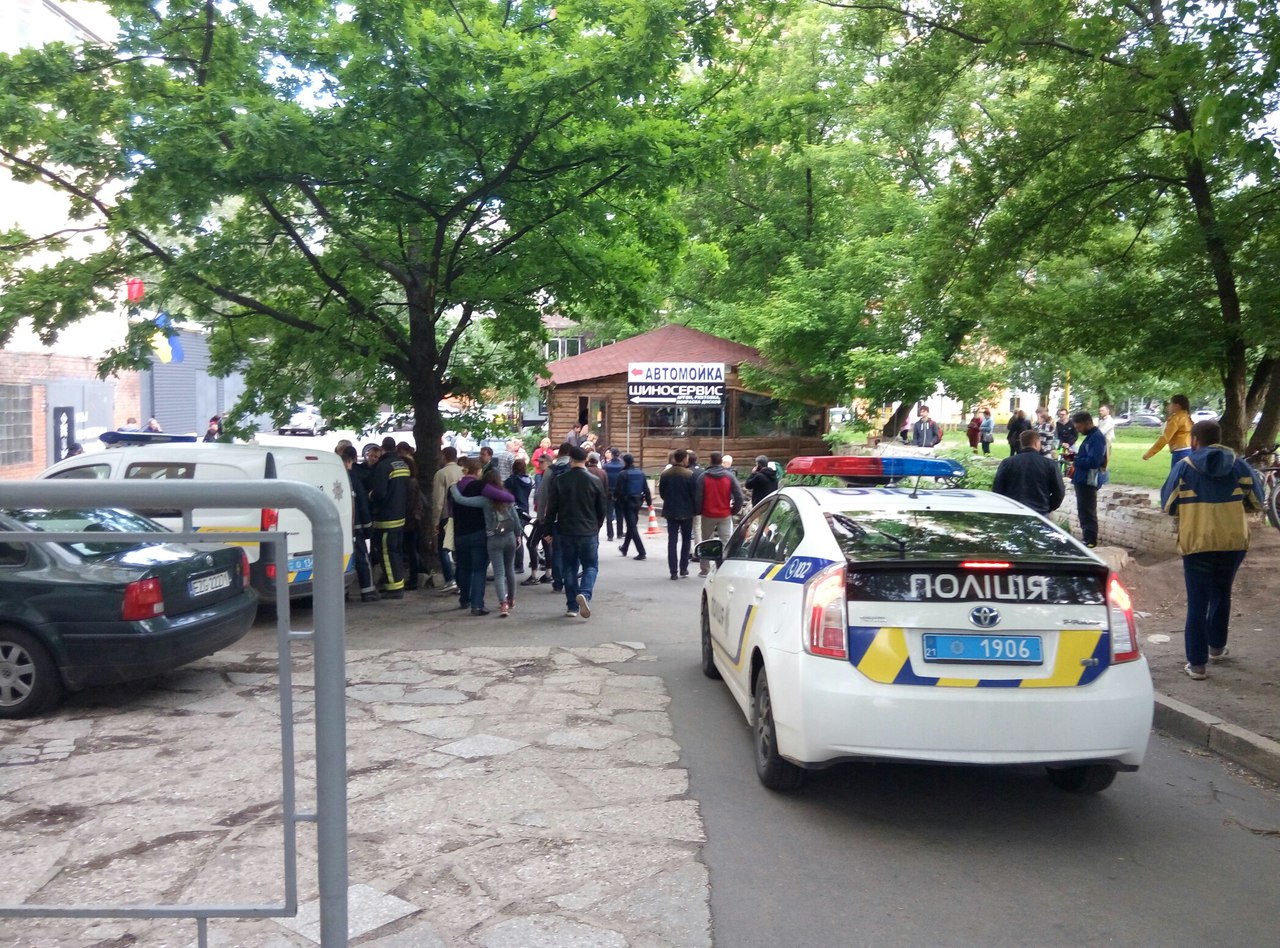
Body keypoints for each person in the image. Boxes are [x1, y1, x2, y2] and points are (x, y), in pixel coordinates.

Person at [1160, 419, 1265, 680]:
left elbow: (1168, 505)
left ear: (1195, 440)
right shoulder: (1240, 465)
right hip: (1232, 542)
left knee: (1197, 602)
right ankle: (1216, 647)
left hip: (1198, 543)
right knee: (1222, 593)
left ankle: (1197, 664)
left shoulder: (1184, 467)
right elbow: (1257, 501)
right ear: (1219, 439)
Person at [544, 445, 607, 619]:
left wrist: (548, 530)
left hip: (566, 530)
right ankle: (585, 593)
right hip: (588, 530)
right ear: (585, 460)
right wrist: (597, 526)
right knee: (591, 566)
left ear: (570, 460)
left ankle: (572, 606)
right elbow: (602, 508)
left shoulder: (560, 480)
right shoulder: (595, 481)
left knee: (569, 567)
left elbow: (552, 508)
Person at [451, 468, 520, 616]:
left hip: (493, 538)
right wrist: (518, 535)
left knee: (499, 573)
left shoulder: (484, 501)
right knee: (509, 569)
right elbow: (516, 519)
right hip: (509, 537)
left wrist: (453, 488)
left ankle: (503, 604)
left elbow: (461, 500)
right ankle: (511, 599)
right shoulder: (507, 499)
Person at [369, 436, 411, 598]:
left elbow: (379, 493)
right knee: (396, 552)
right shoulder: (403, 464)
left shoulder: (383, 466)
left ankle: (394, 589)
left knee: (386, 554)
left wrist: (370, 495)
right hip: (400, 516)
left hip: (386, 518)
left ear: (382, 448)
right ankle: (396, 584)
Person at [992, 430, 1065, 516]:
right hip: (1039, 512)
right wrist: (1048, 508)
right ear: (1036, 443)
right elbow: (1059, 492)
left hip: (1013, 511)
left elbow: (997, 489)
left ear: (1021, 444)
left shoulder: (1007, 463)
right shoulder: (1049, 464)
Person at [339, 444, 379, 602]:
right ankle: (368, 591)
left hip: (337, 530)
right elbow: (362, 504)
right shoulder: (354, 480)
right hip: (355, 528)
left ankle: (343, 592)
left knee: (341, 560)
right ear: (350, 462)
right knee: (362, 559)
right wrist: (368, 527)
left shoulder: (332, 479)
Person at [694, 451, 744, 575]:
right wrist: (733, 511)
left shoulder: (703, 477)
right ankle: (723, 569)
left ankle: (705, 569)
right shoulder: (729, 476)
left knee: (706, 541)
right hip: (724, 514)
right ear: (721, 461)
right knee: (726, 542)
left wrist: (699, 510)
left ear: (710, 461)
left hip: (708, 514)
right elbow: (739, 496)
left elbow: (698, 497)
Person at [1070, 411, 1109, 548]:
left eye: (1079, 427)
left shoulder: (1096, 438)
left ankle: (1090, 540)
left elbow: (1094, 461)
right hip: (1082, 479)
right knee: (1083, 510)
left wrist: (1076, 460)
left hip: (1088, 480)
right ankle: (1087, 538)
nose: (1078, 430)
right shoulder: (1091, 437)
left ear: (1087, 423)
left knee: (1087, 511)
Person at [658, 448, 697, 580]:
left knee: (672, 541)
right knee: (686, 540)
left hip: (671, 510)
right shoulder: (689, 474)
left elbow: (662, 493)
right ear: (685, 458)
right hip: (687, 511)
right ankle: (683, 568)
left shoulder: (665, 474)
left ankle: (673, 570)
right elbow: (694, 493)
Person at [431, 446, 463, 592]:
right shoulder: (463, 471)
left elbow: (438, 500)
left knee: (443, 548)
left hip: (446, 514)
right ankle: (460, 580)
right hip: (461, 514)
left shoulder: (441, 473)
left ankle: (450, 579)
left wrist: (435, 521)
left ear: (444, 456)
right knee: (459, 549)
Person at [614, 453, 652, 560]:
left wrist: (615, 498)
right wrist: (649, 503)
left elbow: (618, 489)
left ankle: (641, 551)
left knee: (632, 527)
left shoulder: (623, 474)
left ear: (625, 462)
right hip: (638, 502)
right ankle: (625, 547)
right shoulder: (640, 473)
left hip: (627, 502)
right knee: (632, 525)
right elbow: (646, 489)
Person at [1144, 393, 1192, 468]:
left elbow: (1165, 438)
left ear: (1177, 405)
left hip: (1180, 453)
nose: (1169, 406)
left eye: (1171, 404)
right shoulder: (1187, 416)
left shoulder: (1176, 419)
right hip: (1189, 450)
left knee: (1176, 475)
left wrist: (1149, 454)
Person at [504, 458, 534, 574]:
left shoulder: (511, 481)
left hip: (514, 511)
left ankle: (517, 565)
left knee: (516, 538)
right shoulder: (528, 481)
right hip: (524, 510)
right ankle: (518, 564)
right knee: (519, 536)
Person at [602, 447, 625, 541]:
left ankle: (610, 535)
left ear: (611, 454)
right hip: (620, 492)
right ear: (619, 454)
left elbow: (603, 479)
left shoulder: (606, 466)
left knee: (609, 514)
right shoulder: (622, 466)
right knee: (620, 513)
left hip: (609, 492)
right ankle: (620, 532)